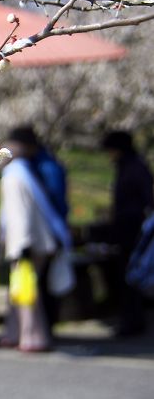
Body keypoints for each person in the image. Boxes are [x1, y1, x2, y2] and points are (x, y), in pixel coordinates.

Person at [0, 130, 70, 352]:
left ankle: (32, 337)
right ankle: (15, 333)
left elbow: (20, 214)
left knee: (26, 291)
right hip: (38, 240)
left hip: (26, 243)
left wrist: (22, 245)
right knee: (22, 289)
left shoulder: (13, 175)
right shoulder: (24, 171)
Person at [102, 130, 153, 336]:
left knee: (130, 277)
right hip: (127, 228)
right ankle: (131, 319)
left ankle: (132, 321)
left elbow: (147, 199)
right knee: (126, 277)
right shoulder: (130, 166)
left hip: (133, 230)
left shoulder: (134, 168)